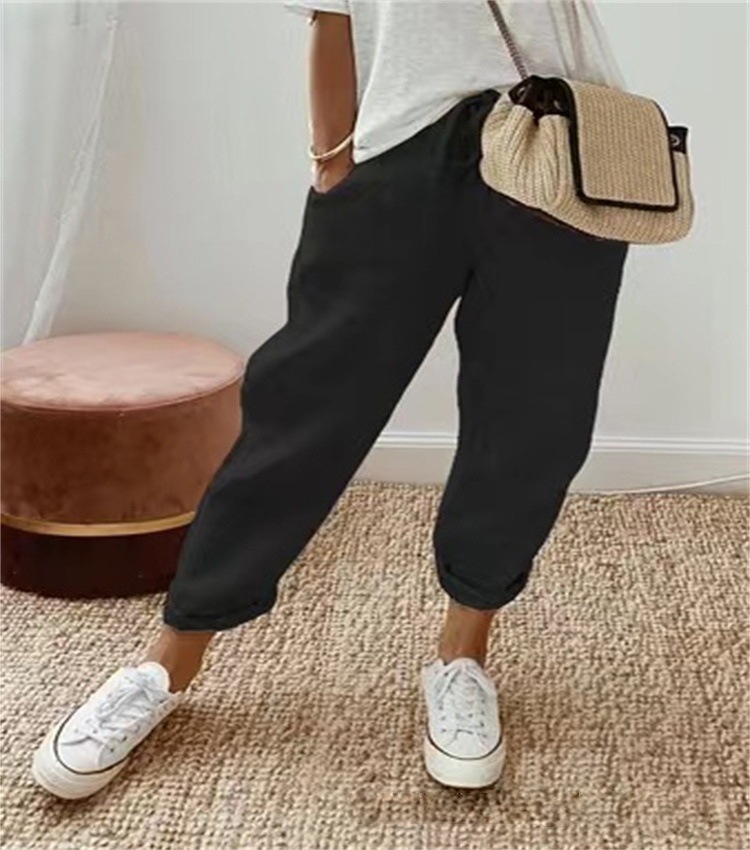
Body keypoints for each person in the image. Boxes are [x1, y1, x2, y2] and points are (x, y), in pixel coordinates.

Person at [32, 0, 629, 798]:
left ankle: (462, 657)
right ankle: (167, 663)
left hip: (557, 140)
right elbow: (331, 13)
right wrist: (332, 162)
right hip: (399, 150)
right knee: (303, 412)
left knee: (534, 421)